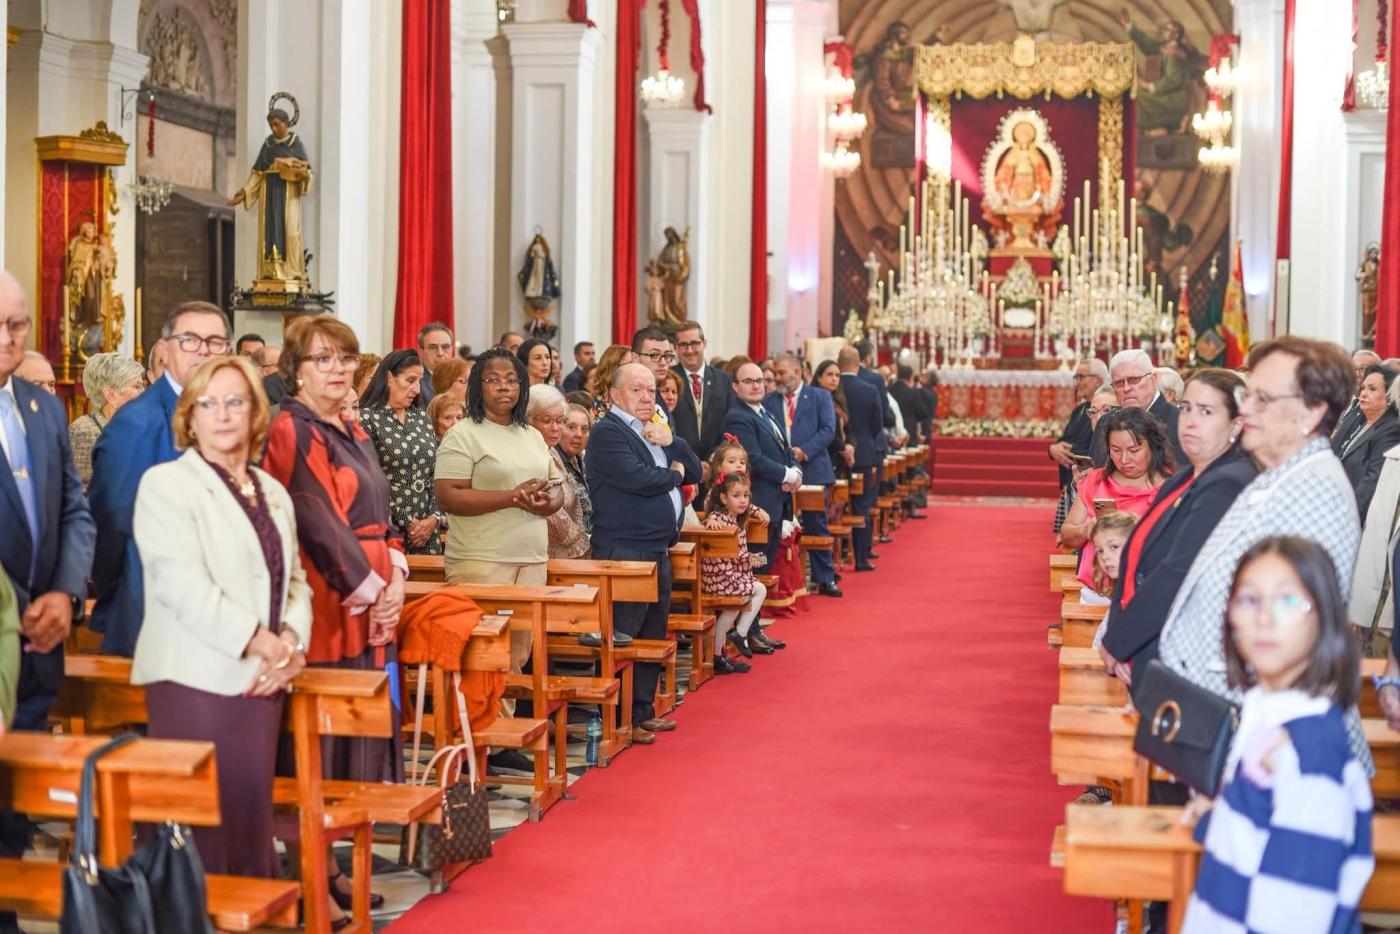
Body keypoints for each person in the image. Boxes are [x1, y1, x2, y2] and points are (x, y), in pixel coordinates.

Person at [131, 355, 309, 879]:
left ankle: (251, 910)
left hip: (265, 681)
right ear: (190, 414)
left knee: (248, 816)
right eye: (208, 403)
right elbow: (179, 584)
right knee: (200, 825)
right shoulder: (167, 485)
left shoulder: (271, 490)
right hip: (195, 679)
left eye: (236, 401)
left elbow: (294, 579)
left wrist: (293, 643)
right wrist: (260, 640)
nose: (223, 414)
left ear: (256, 412)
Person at [1157, 337, 1372, 770]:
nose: (1246, 409)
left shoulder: (1316, 493)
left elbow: (1294, 642)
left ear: (1311, 413)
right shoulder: (1279, 474)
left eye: (1262, 397)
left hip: (1275, 751)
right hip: (1234, 723)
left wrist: (1255, 761)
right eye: (1246, 394)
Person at [1182, 537, 1373, 933]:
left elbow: (1292, 917)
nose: (1264, 618)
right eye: (1249, 600)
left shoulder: (1310, 757)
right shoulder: (1270, 718)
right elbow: (1269, 837)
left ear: (1325, 618)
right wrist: (1217, 819)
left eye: (1288, 602)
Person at [261, 315, 407, 794]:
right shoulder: (291, 429)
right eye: (322, 358)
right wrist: (373, 588)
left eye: (345, 358)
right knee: (329, 715)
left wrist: (398, 574)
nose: (337, 368)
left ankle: (356, 826)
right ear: (295, 368)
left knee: (364, 712)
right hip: (331, 595)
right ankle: (317, 837)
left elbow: (380, 509)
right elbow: (317, 521)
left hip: (371, 592)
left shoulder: (351, 428)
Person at [0, 272, 95, 926]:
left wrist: (64, 592)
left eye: (19, 325)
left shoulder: (41, 408)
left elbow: (75, 513)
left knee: (11, 811)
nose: (10, 339)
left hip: (38, 649)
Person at [434, 348, 562, 773]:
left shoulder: (530, 434)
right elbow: (448, 494)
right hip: (481, 558)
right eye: (493, 379)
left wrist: (548, 502)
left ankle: (500, 737)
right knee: (481, 651)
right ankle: (471, 742)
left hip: (530, 556)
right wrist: (512, 496)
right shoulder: (465, 434)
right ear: (478, 386)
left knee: (515, 653)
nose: (504, 386)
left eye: (512, 379)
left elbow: (556, 485)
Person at [1098, 369, 1257, 690]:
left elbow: (1177, 571)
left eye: (1206, 411)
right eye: (1186, 408)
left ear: (1237, 423)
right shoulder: (1185, 477)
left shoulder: (1228, 482)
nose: (1190, 421)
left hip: (1182, 651)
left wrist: (1119, 642)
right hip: (1149, 641)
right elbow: (1138, 555)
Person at [90, 300, 231, 657]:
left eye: (215, 341)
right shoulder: (136, 423)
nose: (203, 350)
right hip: (154, 615)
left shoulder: (235, 415)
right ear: (166, 350)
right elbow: (111, 523)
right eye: (190, 339)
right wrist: (121, 591)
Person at [585, 362, 701, 741]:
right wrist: (676, 474)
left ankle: (642, 711)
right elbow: (638, 479)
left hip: (657, 547)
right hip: (625, 548)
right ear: (616, 394)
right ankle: (619, 719)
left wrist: (672, 443)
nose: (647, 397)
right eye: (637, 390)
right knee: (625, 634)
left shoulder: (654, 429)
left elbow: (698, 468)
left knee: (652, 631)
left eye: (651, 391)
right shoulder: (608, 432)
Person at [1058, 407, 1172, 583]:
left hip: (1146, 589)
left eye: (1134, 450)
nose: (1124, 460)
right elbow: (1066, 534)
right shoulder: (1095, 481)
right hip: (1096, 589)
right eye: (1116, 450)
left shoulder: (1170, 488)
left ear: (1153, 445)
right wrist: (1086, 530)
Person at [359, 350, 444, 557]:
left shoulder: (421, 418)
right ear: (389, 378)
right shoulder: (367, 419)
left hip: (427, 528)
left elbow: (434, 473)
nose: (416, 389)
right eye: (410, 380)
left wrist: (433, 517)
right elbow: (369, 481)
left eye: (419, 381)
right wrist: (408, 521)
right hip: (388, 526)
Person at [769, 353, 840, 597]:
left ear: (797, 372)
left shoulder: (820, 396)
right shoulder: (770, 401)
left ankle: (825, 577)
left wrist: (804, 452)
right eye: (775, 373)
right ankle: (781, 581)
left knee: (817, 524)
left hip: (813, 469)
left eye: (780, 373)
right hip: (781, 473)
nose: (776, 378)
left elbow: (828, 429)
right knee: (781, 526)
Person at [725, 362, 801, 573]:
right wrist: (787, 475)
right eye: (748, 381)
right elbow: (753, 460)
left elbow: (786, 451)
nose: (756, 386)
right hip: (759, 505)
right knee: (755, 572)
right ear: (735, 387)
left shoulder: (765, 411)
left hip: (776, 502)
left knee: (764, 569)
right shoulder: (738, 417)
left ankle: (759, 607)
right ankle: (754, 608)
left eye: (760, 381)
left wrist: (796, 472)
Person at [701, 469, 767, 674]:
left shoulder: (736, 518)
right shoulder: (720, 518)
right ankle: (734, 638)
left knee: (742, 601)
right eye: (736, 496)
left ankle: (721, 652)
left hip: (730, 575)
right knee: (751, 593)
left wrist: (751, 560)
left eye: (746, 496)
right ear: (723, 497)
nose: (742, 501)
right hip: (718, 576)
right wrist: (710, 519)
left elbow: (737, 556)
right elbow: (712, 519)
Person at [1090, 348, 1187, 468]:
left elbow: (1183, 479)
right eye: (1119, 383)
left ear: (1153, 380)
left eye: (1134, 380)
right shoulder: (1104, 422)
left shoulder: (1180, 423)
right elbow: (1095, 470)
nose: (1126, 388)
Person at [529, 385, 589, 559]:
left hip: (572, 553)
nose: (556, 428)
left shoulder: (552, 451)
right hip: (547, 557)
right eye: (547, 421)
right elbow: (551, 512)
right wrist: (580, 541)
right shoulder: (530, 456)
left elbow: (575, 502)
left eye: (561, 421)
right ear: (529, 420)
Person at [70, 352, 145, 489]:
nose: (144, 392)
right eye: (137, 386)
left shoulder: (134, 427)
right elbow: (80, 492)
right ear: (111, 395)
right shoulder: (84, 430)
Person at [838, 347, 884, 571]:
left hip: (835, 454)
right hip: (864, 454)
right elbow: (878, 424)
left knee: (836, 505)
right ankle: (861, 557)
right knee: (861, 505)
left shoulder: (831, 389)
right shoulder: (869, 389)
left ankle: (841, 553)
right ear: (859, 363)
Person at [1335, 363, 1400, 519]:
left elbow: (1374, 480)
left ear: (1389, 395)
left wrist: (1346, 515)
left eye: (1372, 389)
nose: (1363, 394)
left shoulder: (1391, 429)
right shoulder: (1356, 418)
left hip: (1354, 514)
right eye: (1363, 388)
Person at [670, 321, 735, 470]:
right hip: (679, 468)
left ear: (704, 344)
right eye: (683, 345)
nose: (689, 350)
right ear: (675, 348)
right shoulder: (668, 380)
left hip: (716, 467)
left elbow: (730, 423)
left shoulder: (725, 381)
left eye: (694, 343)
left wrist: (713, 460)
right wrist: (690, 463)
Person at [1049, 358, 1110, 493]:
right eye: (1076, 377)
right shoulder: (1080, 409)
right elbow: (1066, 439)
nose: (1077, 383)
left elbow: (1095, 446)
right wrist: (1053, 449)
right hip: (1070, 481)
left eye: (1081, 377)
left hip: (1090, 483)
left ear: (1097, 381)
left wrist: (1067, 452)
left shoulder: (1106, 411)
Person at [812, 360, 856, 481]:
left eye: (837, 375)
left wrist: (851, 445)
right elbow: (824, 430)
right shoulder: (813, 400)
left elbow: (849, 428)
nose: (834, 379)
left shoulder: (839, 401)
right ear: (819, 377)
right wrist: (843, 449)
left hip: (842, 459)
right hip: (825, 457)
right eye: (830, 374)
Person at [1080, 511, 1136, 604]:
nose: (1105, 557)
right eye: (1100, 551)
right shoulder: (1118, 590)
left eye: (1114, 547)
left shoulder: (1145, 591)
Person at [1333, 348, 1383, 445]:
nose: (1356, 374)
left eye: (1363, 369)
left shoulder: (1376, 409)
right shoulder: (1340, 400)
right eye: (1353, 369)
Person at [558, 402, 593, 533]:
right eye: (571, 427)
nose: (579, 434)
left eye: (585, 429)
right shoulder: (551, 463)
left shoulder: (583, 460)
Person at [588, 344, 636, 419]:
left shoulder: (636, 397)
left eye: (635, 364)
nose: (635, 369)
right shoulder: (597, 403)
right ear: (612, 368)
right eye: (629, 365)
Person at [416, 321, 456, 405]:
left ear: (452, 350)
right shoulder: (416, 385)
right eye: (432, 347)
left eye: (445, 347)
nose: (440, 353)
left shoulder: (463, 380)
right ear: (421, 352)